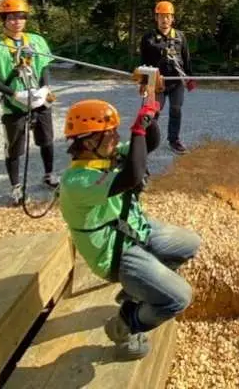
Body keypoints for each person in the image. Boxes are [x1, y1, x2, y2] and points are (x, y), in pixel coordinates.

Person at [59, 92, 201, 361]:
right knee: (178, 298)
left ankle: (137, 290)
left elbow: (148, 143)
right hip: (116, 255)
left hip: (136, 231)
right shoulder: (77, 181)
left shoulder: (103, 157)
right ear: (90, 141)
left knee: (190, 243)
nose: (116, 137)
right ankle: (125, 325)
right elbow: (133, 173)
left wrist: (151, 114)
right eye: (109, 133)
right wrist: (137, 127)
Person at [0, 0, 58, 206]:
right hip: (14, 104)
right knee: (14, 147)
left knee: (47, 139)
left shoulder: (36, 41)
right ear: (3, 20)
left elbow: (43, 67)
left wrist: (44, 88)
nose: (17, 22)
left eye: (21, 17)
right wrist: (13, 94)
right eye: (12, 18)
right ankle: (16, 187)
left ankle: (49, 174)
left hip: (38, 99)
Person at [139, 0, 197, 154]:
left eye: (168, 16)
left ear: (172, 18)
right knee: (153, 112)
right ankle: (146, 141)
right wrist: (144, 84)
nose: (164, 20)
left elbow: (186, 58)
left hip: (176, 81)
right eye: (161, 16)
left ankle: (174, 140)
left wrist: (190, 78)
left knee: (176, 110)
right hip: (156, 82)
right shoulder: (148, 38)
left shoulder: (180, 36)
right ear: (156, 18)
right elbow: (143, 62)